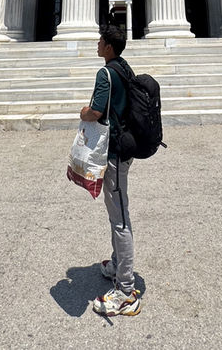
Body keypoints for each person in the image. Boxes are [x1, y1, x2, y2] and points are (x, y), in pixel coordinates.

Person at [79, 25, 141, 317]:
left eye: (100, 41)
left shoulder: (105, 73)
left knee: (120, 218)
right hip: (124, 146)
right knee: (116, 211)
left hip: (114, 151)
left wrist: (84, 112)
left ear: (107, 46)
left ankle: (126, 291)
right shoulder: (124, 68)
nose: (97, 44)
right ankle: (117, 264)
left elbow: (97, 111)